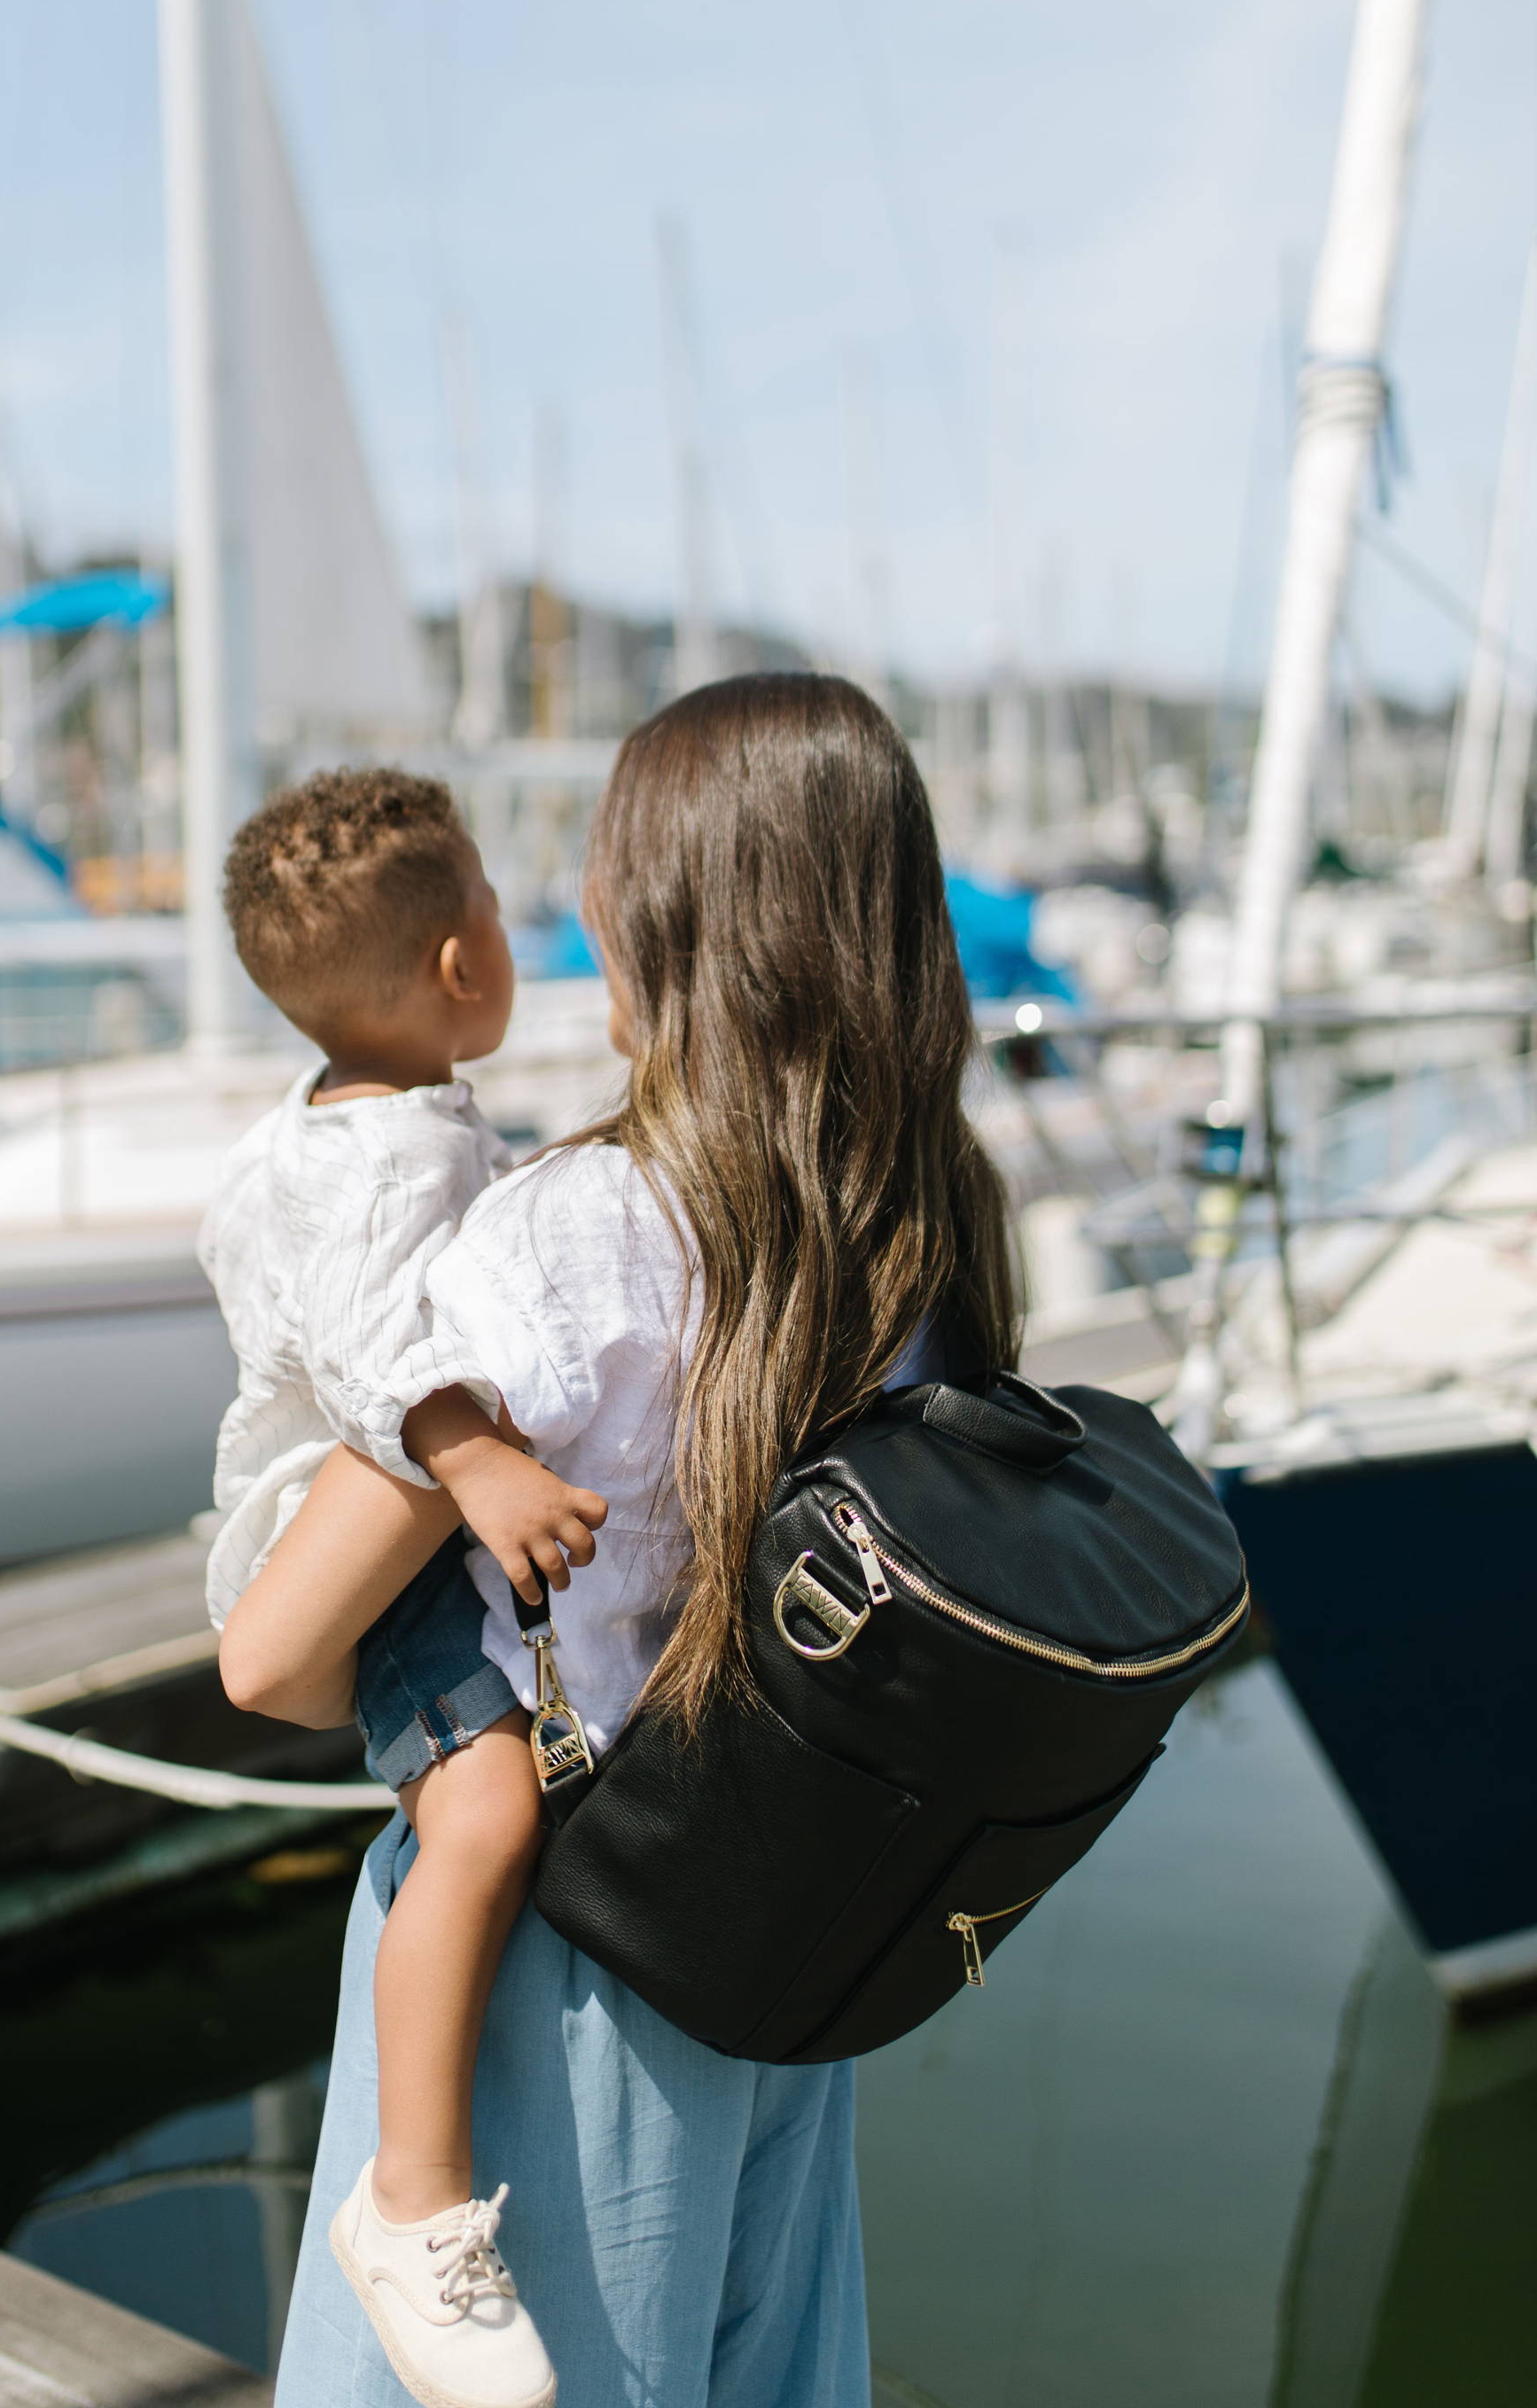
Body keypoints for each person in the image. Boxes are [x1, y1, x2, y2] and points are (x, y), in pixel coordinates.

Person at [221, 674, 1018, 2408]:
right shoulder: (934, 1230)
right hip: (785, 1961)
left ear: (645, 916)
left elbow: (271, 1658)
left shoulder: (565, 1236)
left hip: (553, 1978)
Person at [201, 767, 607, 2408]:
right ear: (460, 965)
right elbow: (381, 1354)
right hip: (390, 1545)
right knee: (487, 1819)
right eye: (500, 912)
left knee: (478, 1814)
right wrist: (485, 1461)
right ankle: (413, 2193)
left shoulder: (343, 1131)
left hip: (373, 1533)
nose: (511, 937)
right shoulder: (391, 1167)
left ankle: (415, 2178)